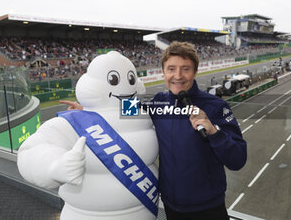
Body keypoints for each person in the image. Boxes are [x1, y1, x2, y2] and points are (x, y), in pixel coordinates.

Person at [61, 41, 247, 220]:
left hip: (208, 208)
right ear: (163, 72)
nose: (178, 75)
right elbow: (122, 108)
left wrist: (213, 131)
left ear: (195, 72)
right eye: (171, 69)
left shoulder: (217, 106)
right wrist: (88, 109)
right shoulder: (158, 102)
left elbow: (238, 159)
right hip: (171, 206)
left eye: (186, 69)